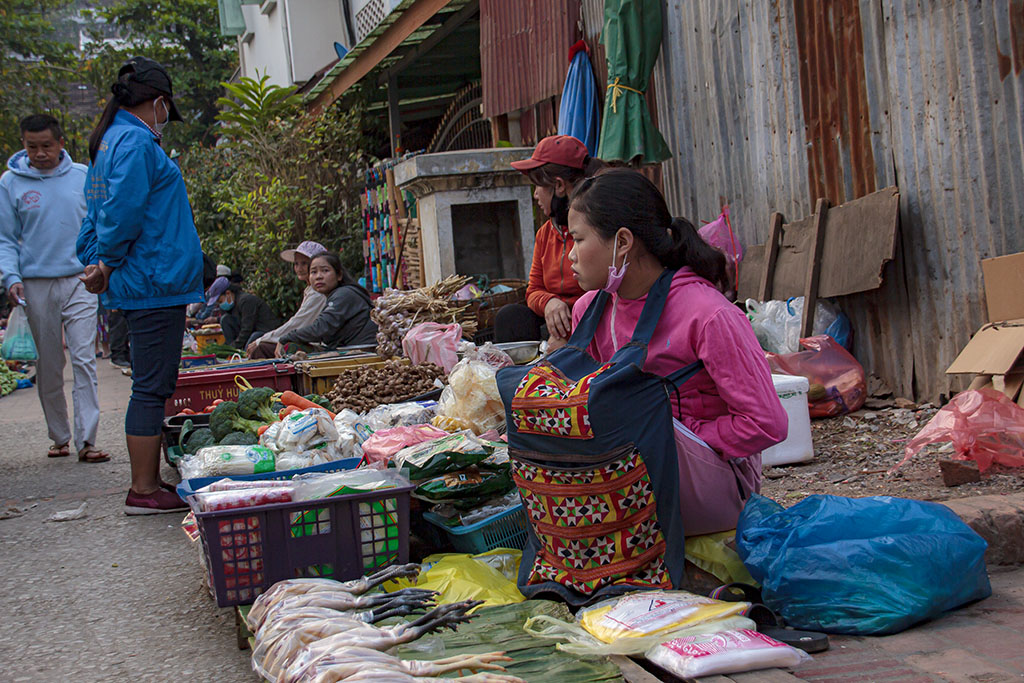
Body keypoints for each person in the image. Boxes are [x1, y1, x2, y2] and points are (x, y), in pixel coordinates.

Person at [567, 169, 788, 536]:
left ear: (622, 242)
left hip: (713, 483)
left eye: (578, 239)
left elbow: (768, 423)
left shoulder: (709, 314)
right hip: (637, 472)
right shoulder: (589, 311)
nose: (571, 255)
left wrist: (690, 434)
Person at [77, 56, 204, 514]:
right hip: (152, 279)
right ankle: (144, 490)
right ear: (159, 103)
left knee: (152, 383)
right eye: (167, 108)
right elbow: (122, 213)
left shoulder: (110, 142)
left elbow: (94, 213)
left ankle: (146, 485)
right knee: (152, 386)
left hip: (147, 277)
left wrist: (97, 260)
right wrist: (106, 262)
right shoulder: (133, 142)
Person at [0, 113, 110, 462]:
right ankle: (60, 436)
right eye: (32, 147)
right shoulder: (10, 183)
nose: (39, 153)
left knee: (83, 359)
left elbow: (100, 220)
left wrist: (99, 262)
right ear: (24, 146)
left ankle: (87, 441)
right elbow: (4, 239)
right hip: (34, 284)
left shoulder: (83, 176)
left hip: (81, 278)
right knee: (48, 365)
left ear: (61, 143)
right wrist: (11, 277)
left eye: (46, 145)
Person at [496, 135, 604, 349]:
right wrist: (549, 302)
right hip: (558, 322)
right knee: (510, 317)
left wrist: (568, 332)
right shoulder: (545, 233)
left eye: (537, 186)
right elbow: (533, 290)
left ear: (558, 186)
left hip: (593, 316)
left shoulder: (597, 226)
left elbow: (607, 290)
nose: (535, 195)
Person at [277, 252, 376, 354]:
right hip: (344, 349)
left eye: (325, 270)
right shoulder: (335, 295)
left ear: (339, 275)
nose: (318, 276)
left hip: (361, 351)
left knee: (290, 347)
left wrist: (284, 338)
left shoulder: (343, 294)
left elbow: (320, 329)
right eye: (313, 272)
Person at [247, 240, 328, 359]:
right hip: (311, 340)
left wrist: (261, 340)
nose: (299, 268)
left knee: (262, 348)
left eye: (304, 263)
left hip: (321, 345)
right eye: (296, 264)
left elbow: (298, 324)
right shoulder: (311, 290)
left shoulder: (318, 293)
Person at [205, 275, 281, 349]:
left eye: (220, 301)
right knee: (225, 319)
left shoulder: (246, 301)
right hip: (250, 333)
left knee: (253, 338)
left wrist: (234, 347)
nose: (220, 304)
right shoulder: (233, 304)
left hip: (263, 333)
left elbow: (247, 329)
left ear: (228, 293)